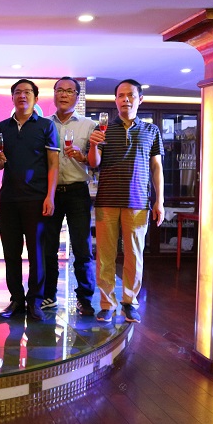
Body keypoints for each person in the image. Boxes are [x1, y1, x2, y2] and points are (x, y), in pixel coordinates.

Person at [87, 79, 165, 324]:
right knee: (105, 256)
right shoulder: (103, 129)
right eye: (121, 95)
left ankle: (129, 302)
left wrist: (160, 201)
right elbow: (94, 163)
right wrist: (94, 144)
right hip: (107, 200)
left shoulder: (152, 131)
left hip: (139, 202)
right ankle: (106, 304)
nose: (125, 100)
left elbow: (157, 167)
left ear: (140, 99)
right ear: (115, 100)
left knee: (134, 254)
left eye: (130, 95)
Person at [0, 79, 59, 321]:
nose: (22, 96)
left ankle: (35, 301)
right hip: (9, 199)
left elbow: (53, 164)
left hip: (36, 199)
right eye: (18, 92)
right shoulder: (1, 127)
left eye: (27, 92)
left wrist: (50, 196)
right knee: (11, 253)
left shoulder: (46, 126)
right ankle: (17, 300)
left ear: (36, 98)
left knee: (37, 254)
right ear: (12, 98)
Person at [42, 77, 97, 317]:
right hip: (50, 192)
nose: (64, 94)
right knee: (48, 247)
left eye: (69, 91)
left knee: (82, 248)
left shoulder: (90, 125)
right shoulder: (43, 124)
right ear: (54, 94)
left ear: (76, 96)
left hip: (77, 192)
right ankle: (48, 294)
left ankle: (84, 298)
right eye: (60, 90)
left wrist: (82, 157)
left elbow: (97, 163)